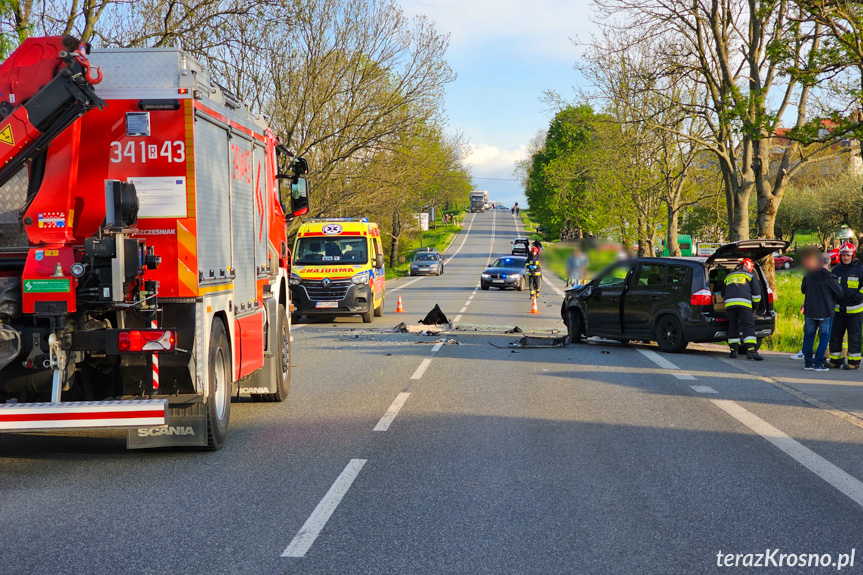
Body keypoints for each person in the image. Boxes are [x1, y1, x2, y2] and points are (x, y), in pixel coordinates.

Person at [801, 249, 843, 371]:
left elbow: (803, 289)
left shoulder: (808, 275)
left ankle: (808, 363)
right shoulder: (830, 278)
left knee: (809, 336)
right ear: (828, 264)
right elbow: (840, 293)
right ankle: (818, 364)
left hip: (810, 311)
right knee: (824, 337)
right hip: (825, 312)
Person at [828, 242, 863, 369]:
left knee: (854, 336)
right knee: (835, 335)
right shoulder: (836, 269)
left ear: (852, 255)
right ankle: (836, 360)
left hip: (855, 310)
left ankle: (854, 362)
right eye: (843, 255)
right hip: (838, 309)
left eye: (848, 255)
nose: (845, 258)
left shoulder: (860, 269)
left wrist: (859, 295)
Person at [722, 258, 764, 360]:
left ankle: (733, 351)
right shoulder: (750, 275)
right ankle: (751, 351)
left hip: (729, 305)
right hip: (744, 304)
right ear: (748, 266)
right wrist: (754, 308)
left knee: (733, 326)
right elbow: (757, 295)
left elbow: (723, 293)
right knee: (747, 325)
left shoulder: (728, 276)